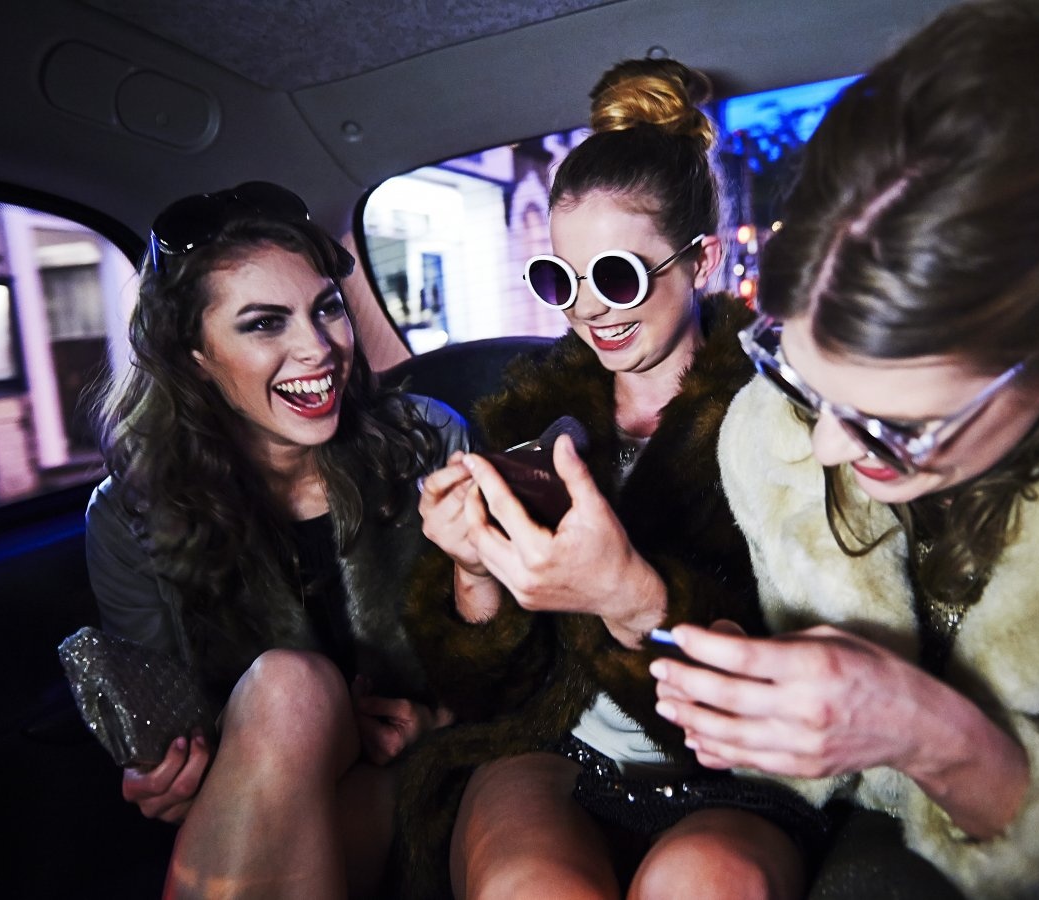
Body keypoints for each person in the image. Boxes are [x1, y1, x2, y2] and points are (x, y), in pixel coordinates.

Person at [650, 2, 1039, 898]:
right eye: (799, 375)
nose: (826, 443)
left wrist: (933, 735)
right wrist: (753, 684)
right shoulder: (769, 437)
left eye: (895, 422)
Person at [400, 58, 823, 900]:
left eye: (619, 275)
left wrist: (632, 596)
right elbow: (477, 689)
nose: (588, 308)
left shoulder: (790, 419)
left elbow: (812, 668)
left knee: (698, 882)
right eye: (560, 280)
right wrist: (472, 571)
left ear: (700, 261)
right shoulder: (525, 416)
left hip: (735, 772)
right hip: (551, 744)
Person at [85, 181, 468, 898]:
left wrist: (435, 721)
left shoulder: (426, 443)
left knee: (292, 692)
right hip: (275, 788)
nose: (317, 348)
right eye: (264, 324)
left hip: (433, 769)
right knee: (289, 690)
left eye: (327, 308)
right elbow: (174, 728)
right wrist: (167, 776)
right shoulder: (131, 515)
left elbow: (513, 657)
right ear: (195, 354)